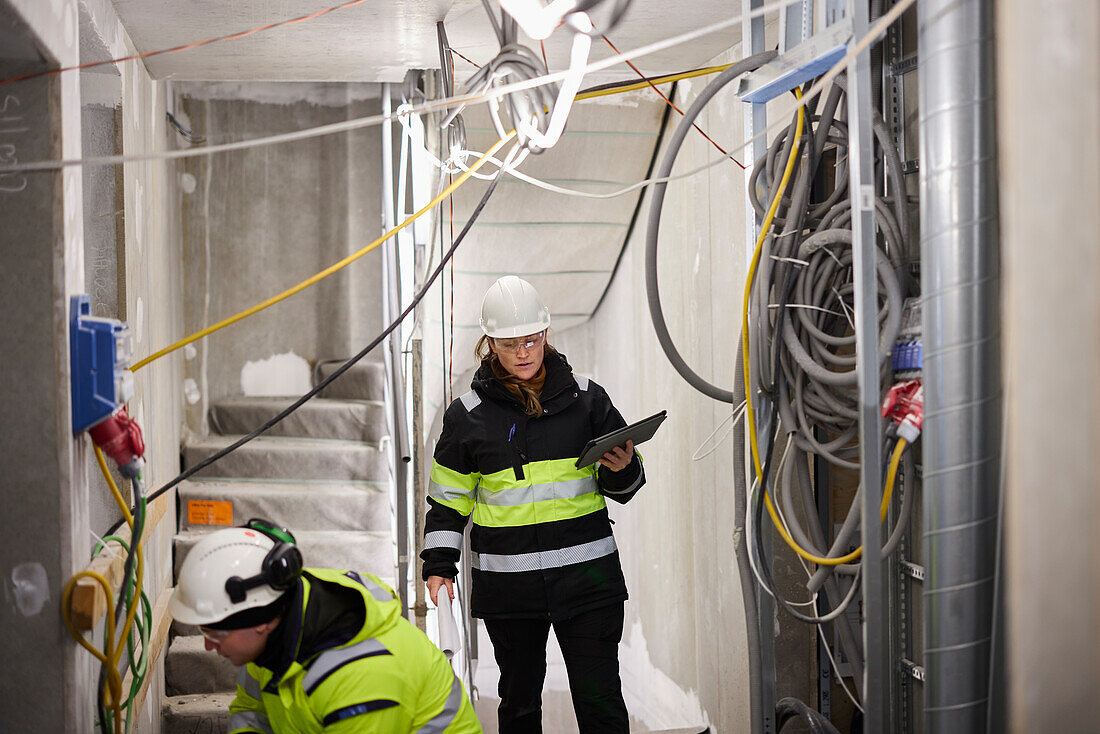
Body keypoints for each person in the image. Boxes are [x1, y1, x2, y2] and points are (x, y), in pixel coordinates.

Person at [422, 275, 645, 734]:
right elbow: (447, 502)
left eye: (531, 339)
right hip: (511, 592)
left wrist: (622, 468)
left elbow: (626, 485)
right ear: (489, 344)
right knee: (520, 706)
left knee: (601, 704)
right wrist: (438, 562)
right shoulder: (467, 417)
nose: (523, 352)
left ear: (545, 334)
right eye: (509, 344)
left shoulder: (587, 399)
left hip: (588, 585)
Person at [168, 519, 482, 733]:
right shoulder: (280, 621)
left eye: (215, 633)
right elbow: (251, 709)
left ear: (259, 622)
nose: (208, 646)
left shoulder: (362, 681)